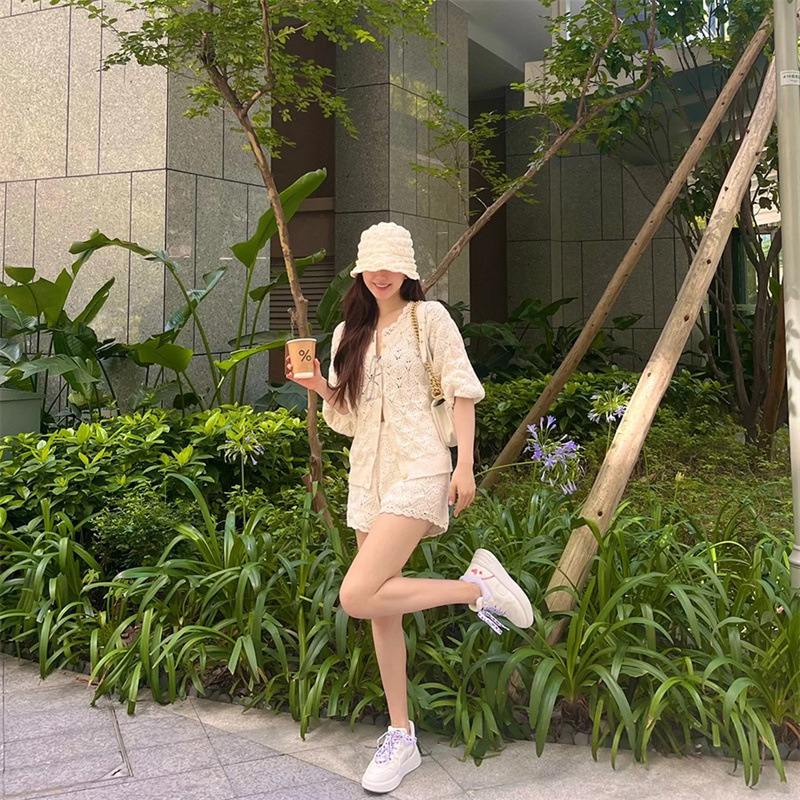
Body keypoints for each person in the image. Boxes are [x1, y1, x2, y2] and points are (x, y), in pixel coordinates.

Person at [285, 221, 533, 794]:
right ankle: (401, 736)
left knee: (356, 594)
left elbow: (461, 389)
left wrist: (465, 465)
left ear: (408, 270)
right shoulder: (348, 331)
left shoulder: (429, 318)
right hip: (368, 479)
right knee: (380, 608)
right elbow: (349, 417)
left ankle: (475, 589)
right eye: (372, 265)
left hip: (420, 468)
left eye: (391, 265)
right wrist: (318, 385)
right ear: (359, 271)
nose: (381, 274)